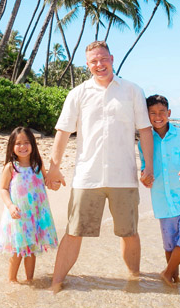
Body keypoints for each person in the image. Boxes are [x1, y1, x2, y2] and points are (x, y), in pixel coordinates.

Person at [45, 41, 154, 293]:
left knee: (129, 232)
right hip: (87, 176)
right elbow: (63, 132)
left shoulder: (132, 90)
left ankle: (134, 280)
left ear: (112, 58)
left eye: (103, 59)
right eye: (93, 61)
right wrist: (54, 167)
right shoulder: (78, 93)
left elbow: (145, 130)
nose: (99, 64)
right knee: (73, 231)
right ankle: (56, 283)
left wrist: (148, 166)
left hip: (123, 176)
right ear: (87, 65)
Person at [139, 94, 180, 287]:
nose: (158, 117)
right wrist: (145, 178)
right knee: (169, 244)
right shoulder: (145, 141)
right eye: (153, 113)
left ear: (169, 113)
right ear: (146, 115)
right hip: (162, 199)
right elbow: (144, 166)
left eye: (162, 112)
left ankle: (166, 273)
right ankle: (174, 277)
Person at [0, 126, 59, 283]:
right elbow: (3, 189)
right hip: (19, 215)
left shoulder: (37, 164)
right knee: (18, 250)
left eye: (26, 142)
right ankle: (12, 280)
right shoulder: (11, 167)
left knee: (31, 250)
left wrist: (55, 183)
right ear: (12, 146)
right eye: (18, 143)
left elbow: (47, 181)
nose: (22, 146)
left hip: (36, 215)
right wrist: (10, 206)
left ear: (33, 144)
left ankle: (30, 281)